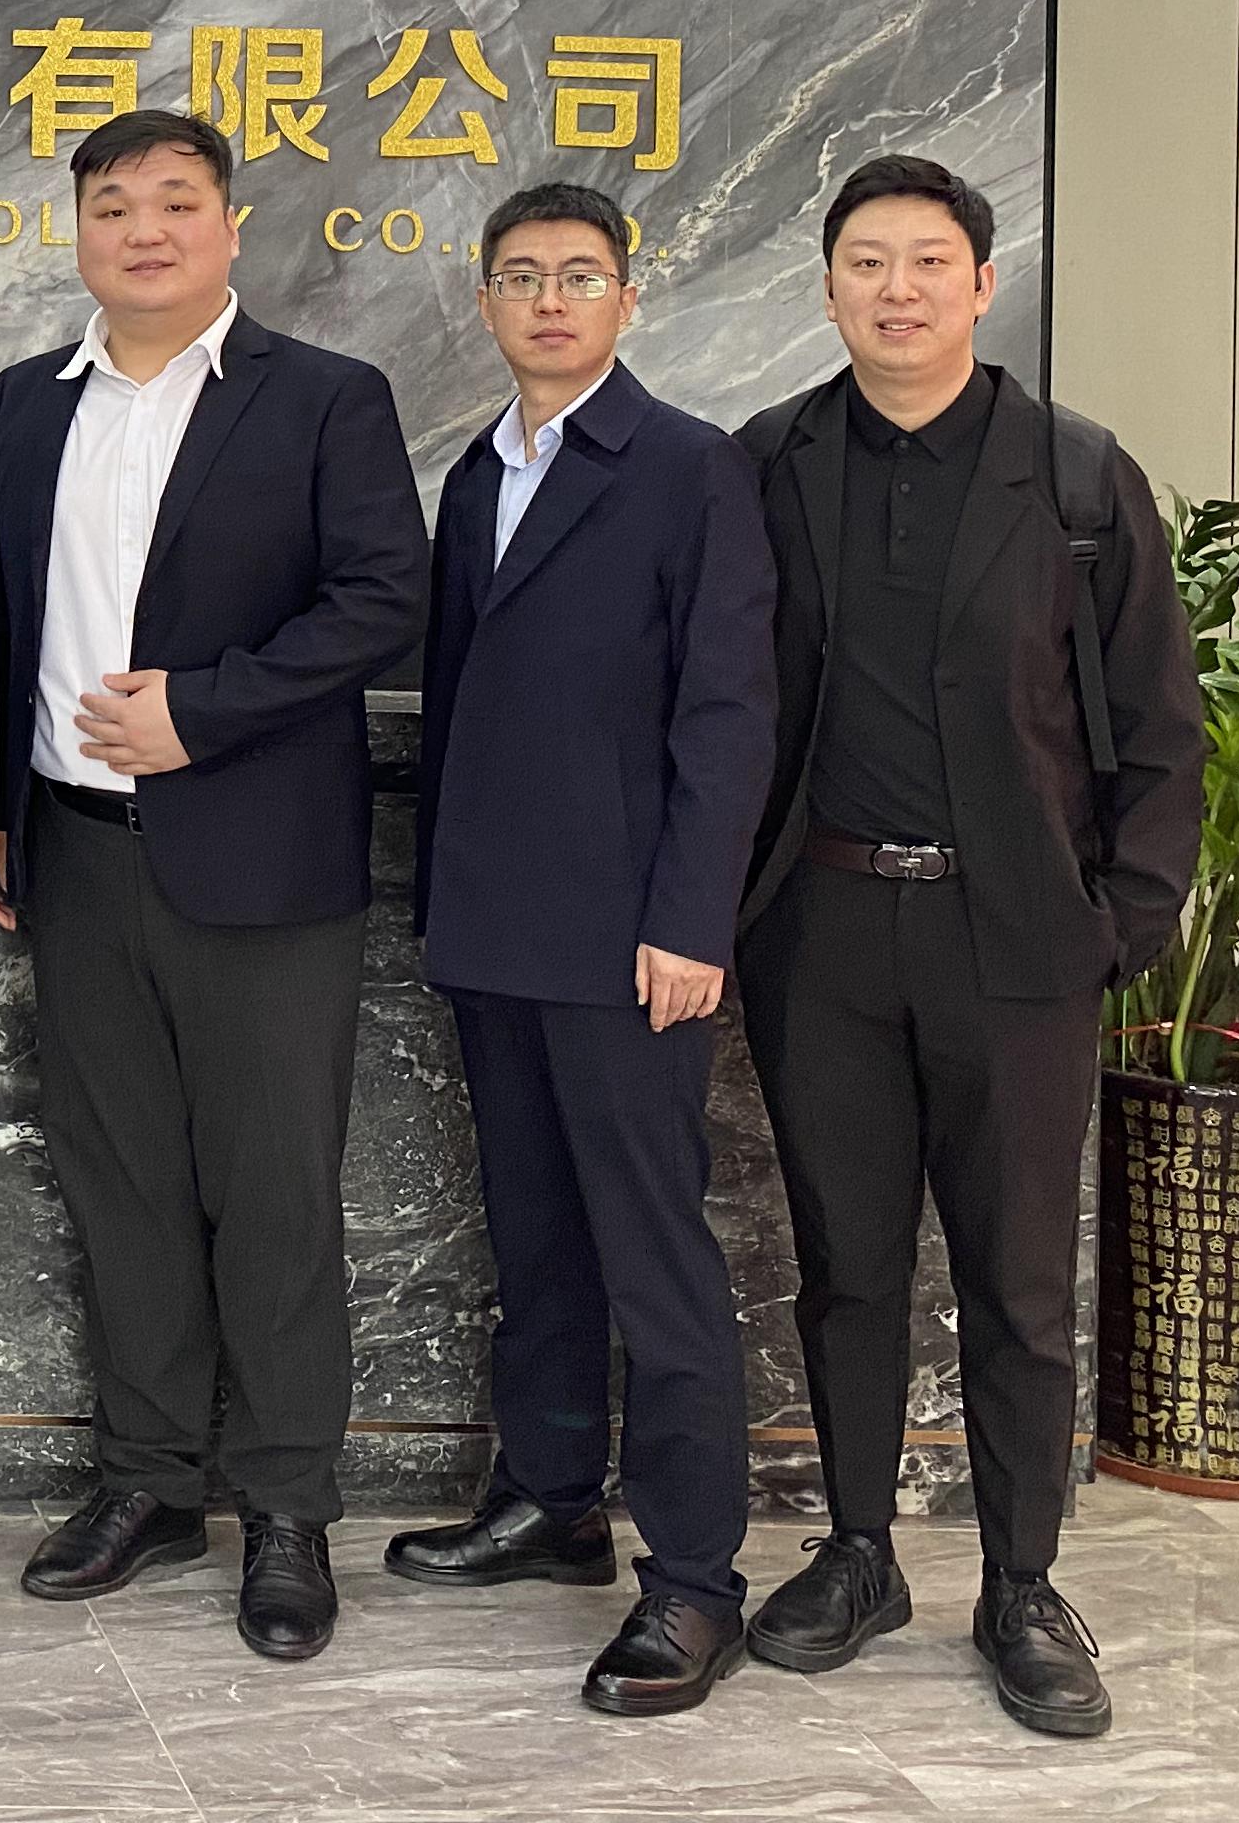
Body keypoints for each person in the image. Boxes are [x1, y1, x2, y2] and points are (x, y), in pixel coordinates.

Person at [731, 156, 1198, 1742]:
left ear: (984, 285)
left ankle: (1022, 1584)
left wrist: (1124, 921)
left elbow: (1158, 719)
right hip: (823, 929)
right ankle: (859, 1551)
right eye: (867, 261)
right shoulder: (771, 462)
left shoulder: (1077, 476)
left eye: (929, 261)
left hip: (1020, 939)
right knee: (847, 1267)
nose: (899, 288)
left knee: (1018, 1280)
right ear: (829, 287)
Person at [0, 108, 424, 1660]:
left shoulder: (326, 398)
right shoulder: (29, 405)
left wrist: (202, 712)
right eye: (113, 205)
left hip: (261, 865)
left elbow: (384, 598)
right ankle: (149, 1483)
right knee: (125, 1185)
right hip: (77, 858)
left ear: (231, 227)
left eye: (174, 202)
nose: (143, 230)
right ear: (79, 232)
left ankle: (286, 1507)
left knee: (273, 1194)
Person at [384, 183, 774, 1716]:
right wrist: (445, 899)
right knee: (533, 1238)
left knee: (652, 1257)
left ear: (627, 298)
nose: (550, 301)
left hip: (628, 943)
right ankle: (551, 1503)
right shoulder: (479, 470)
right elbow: (460, 702)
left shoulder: (686, 466)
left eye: (580, 276)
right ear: (484, 303)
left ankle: (696, 1583)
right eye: (522, 277)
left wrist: (689, 919)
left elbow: (726, 712)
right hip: (496, 927)